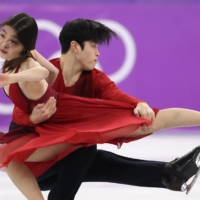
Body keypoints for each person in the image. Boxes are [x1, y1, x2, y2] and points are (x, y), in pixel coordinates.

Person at [1, 14, 200, 199]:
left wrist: (138, 103)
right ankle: (169, 175)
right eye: (94, 46)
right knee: (85, 146)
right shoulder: (46, 72)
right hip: (30, 161)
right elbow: (22, 108)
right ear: (75, 47)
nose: (97, 54)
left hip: (61, 159)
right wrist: (31, 119)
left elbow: (118, 97)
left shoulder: (96, 79)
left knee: (92, 152)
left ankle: (170, 175)